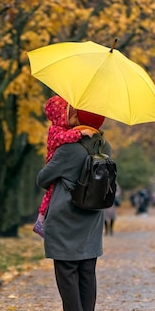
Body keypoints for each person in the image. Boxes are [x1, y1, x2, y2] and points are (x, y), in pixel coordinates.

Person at [36, 105, 108, 311]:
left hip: (67, 218)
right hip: (91, 219)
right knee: (87, 272)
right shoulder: (101, 145)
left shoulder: (69, 150)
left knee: (67, 273)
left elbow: (43, 178)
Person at [33, 96, 97, 236]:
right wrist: (81, 132)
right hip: (53, 161)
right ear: (61, 115)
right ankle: (40, 219)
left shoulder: (61, 129)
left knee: (49, 193)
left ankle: (41, 218)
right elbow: (63, 138)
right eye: (70, 114)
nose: (74, 118)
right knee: (49, 193)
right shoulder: (56, 130)